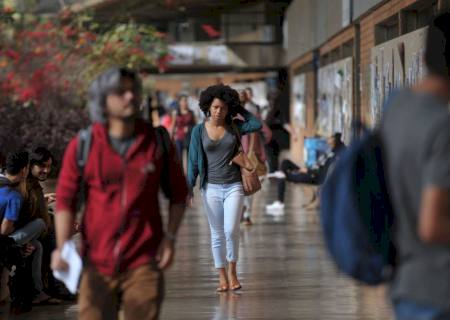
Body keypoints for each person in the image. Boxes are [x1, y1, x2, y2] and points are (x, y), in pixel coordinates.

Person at [52, 67, 188, 320]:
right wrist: (61, 246)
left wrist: (170, 238)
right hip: (95, 263)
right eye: (121, 92)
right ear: (103, 99)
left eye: (133, 91)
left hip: (144, 261)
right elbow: (65, 199)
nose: (130, 97)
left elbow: (179, 194)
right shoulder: (84, 144)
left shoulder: (156, 142)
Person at [379, 13, 450, 320]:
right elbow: (432, 225)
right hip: (440, 290)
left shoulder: (395, 109)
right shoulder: (441, 126)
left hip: (406, 286)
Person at [187, 84, 262, 292]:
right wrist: (189, 188)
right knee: (216, 233)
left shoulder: (234, 126)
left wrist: (238, 108)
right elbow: (193, 161)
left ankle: (233, 271)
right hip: (210, 188)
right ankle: (221, 275)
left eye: (223, 107)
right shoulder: (198, 131)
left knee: (231, 229)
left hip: (234, 186)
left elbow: (255, 124)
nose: (219, 111)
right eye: (215, 107)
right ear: (207, 108)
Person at [0, 151, 51, 304]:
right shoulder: (13, 195)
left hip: (6, 240)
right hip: (4, 243)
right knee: (40, 223)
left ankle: (37, 293)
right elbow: (4, 231)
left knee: (37, 246)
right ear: (24, 170)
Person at [266, 133, 346, 212]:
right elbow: (320, 165)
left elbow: (324, 173)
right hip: (311, 172)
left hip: (314, 177)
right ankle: (281, 173)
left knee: (282, 176)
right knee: (285, 162)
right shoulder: (330, 151)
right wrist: (305, 169)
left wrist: (308, 171)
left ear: (335, 141)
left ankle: (280, 202)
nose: (328, 140)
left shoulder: (335, 156)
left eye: (330, 138)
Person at [239, 89, 270, 225]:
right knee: (249, 184)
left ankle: (242, 213)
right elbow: (267, 133)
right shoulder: (254, 113)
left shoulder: (233, 115)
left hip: (237, 155)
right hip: (251, 154)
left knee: (240, 185)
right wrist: (260, 145)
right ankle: (246, 214)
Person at [173, 95, 196, 169]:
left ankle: (189, 176)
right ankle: (181, 175)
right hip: (179, 138)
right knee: (179, 158)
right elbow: (173, 126)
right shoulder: (176, 113)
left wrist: (189, 128)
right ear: (179, 102)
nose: (184, 102)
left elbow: (195, 126)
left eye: (185, 101)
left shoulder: (191, 113)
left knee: (189, 158)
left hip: (189, 138)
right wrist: (171, 137)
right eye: (182, 101)